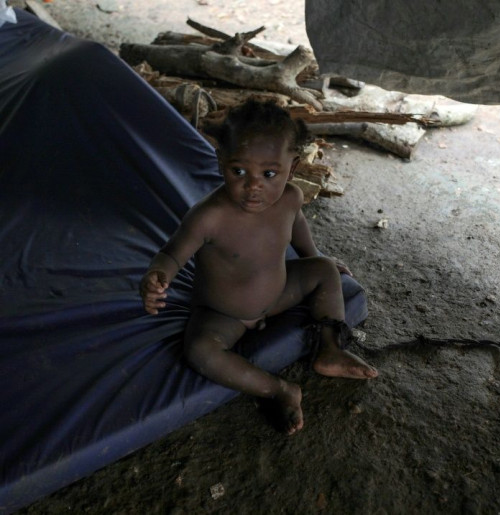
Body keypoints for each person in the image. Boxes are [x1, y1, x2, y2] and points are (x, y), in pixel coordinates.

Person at [139, 100, 378, 435]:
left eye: (269, 174)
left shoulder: (291, 198)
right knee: (199, 351)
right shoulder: (209, 216)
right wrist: (157, 276)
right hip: (224, 314)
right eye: (239, 171)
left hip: (279, 293)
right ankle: (279, 390)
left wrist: (313, 255)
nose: (253, 186)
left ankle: (330, 349)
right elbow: (172, 254)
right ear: (221, 161)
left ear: (292, 168)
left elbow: (298, 230)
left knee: (323, 269)